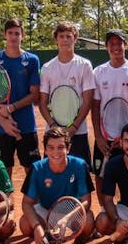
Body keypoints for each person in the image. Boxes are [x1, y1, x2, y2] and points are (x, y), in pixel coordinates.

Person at [20, 126, 95, 244]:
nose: (56, 152)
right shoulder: (37, 168)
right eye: (51, 147)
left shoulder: (79, 165)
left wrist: (67, 217)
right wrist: (37, 227)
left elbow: (86, 201)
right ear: (45, 149)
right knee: (25, 224)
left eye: (61, 147)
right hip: (46, 210)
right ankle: (48, 242)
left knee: (89, 219)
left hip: (73, 211)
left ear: (68, 148)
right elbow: (26, 203)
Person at [0, 18, 40, 175]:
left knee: (32, 170)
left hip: (27, 125)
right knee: (3, 172)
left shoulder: (31, 60)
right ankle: (5, 200)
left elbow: (34, 94)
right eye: (10, 33)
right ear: (4, 34)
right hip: (1, 128)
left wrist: (11, 108)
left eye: (17, 33)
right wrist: (2, 119)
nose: (13, 37)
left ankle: (33, 200)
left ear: (22, 35)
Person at [39, 21, 95, 163]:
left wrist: (74, 127)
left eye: (68, 36)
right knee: (52, 176)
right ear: (56, 40)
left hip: (78, 131)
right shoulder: (47, 67)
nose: (65, 40)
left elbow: (88, 101)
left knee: (81, 175)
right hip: (53, 133)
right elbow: (43, 102)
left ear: (75, 38)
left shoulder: (84, 65)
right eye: (61, 36)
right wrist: (53, 126)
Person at [90, 29, 128, 195]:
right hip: (105, 137)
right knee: (100, 176)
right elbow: (95, 107)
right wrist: (98, 136)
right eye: (112, 44)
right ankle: (105, 212)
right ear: (106, 47)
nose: (116, 47)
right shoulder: (97, 72)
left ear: (125, 45)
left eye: (119, 43)